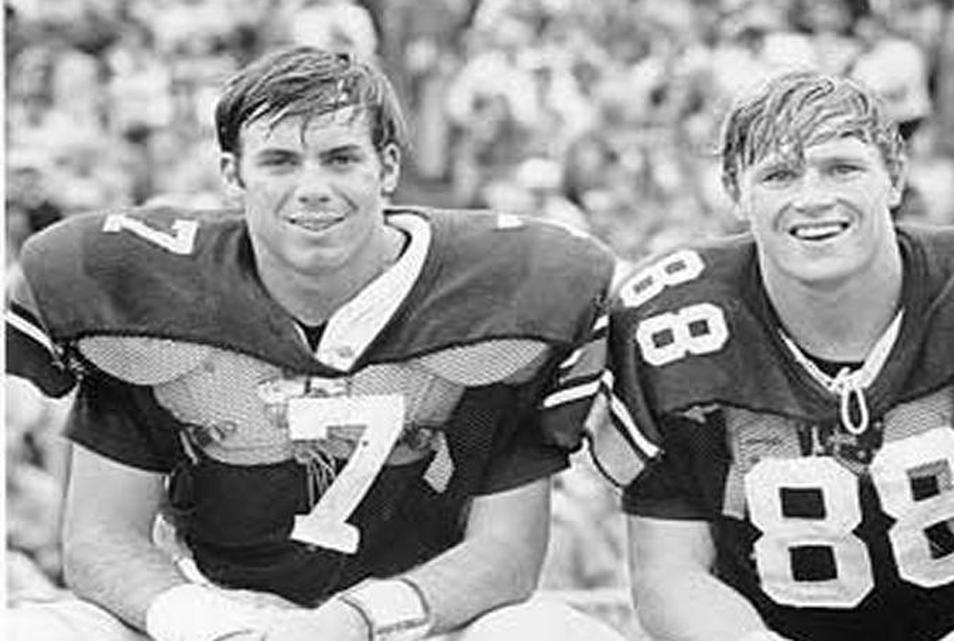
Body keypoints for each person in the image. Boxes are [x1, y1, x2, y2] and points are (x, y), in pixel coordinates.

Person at [6, 46, 625, 641]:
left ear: (387, 167)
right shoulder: (138, 289)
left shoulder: (513, 290)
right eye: (279, 162)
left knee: (546, 632)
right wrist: (208, 623)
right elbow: (101, 537)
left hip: (424, 614)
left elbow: (507, 552)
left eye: (339, 158)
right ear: (233, 173)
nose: (312, 188)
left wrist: (365, 618)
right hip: (213, 605)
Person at [591, 69, 954, 641]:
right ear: (735, 193)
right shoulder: (672, 328)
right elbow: (669, 576)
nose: (813, 199)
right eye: (778, 175)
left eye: (843, 168)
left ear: (895, 177)